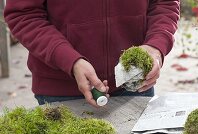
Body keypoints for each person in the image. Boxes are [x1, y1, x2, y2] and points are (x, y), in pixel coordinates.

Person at [4, 0, 180, 107]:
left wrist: (156, 46)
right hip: (61, 89)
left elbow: (164, 3)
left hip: (135, 81)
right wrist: (69, 60)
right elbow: (24, 15)